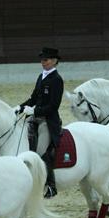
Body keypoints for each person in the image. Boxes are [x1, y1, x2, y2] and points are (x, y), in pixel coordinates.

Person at [14, 47, 64, 199]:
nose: (43, 62)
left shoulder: (57, 79)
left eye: (46, 60)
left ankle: (50, 185)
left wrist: (34, 111)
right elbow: (33, 98)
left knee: (42, 151)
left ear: (54, 61)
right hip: (35, 117)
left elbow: (53, 106)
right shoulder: (41, 76)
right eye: (42, 60)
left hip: (48, 121)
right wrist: (21, 107)